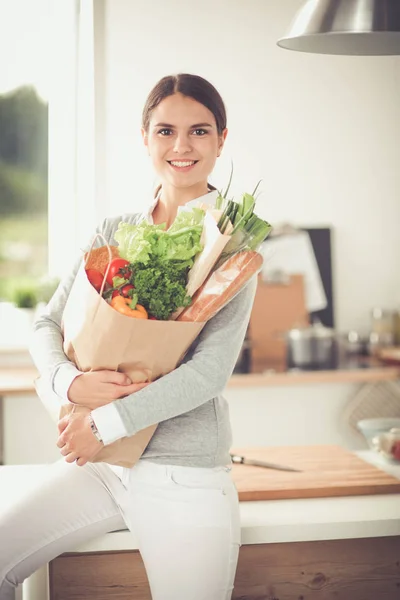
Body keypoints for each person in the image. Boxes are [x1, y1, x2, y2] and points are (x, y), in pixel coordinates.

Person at [0, 73, 258, 600]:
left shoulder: (236, 245)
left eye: (199, 132)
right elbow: (47, 324)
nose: (181, 146)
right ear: (145, 138)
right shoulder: (113, 231)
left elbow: (208, 374)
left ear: (222, 140)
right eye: (165, 131)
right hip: (100, 466)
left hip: (182, 474)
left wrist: (105, 420)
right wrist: (69, 383)